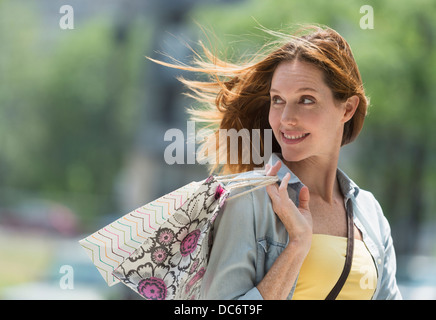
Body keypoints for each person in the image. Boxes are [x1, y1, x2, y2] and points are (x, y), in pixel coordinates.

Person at [153, 25, 402, 299]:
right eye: (278, 100)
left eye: (306, 100)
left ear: (348, 108)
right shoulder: (247, 200)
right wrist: (296, 247)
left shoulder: (369, 212)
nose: (286, 119)